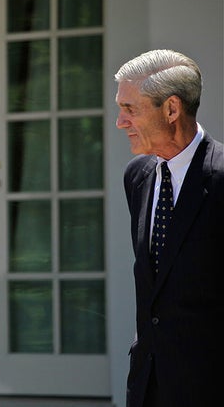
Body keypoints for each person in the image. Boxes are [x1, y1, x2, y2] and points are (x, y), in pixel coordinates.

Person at [115, 49, 224, 407]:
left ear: (172, 109)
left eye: (130, 109)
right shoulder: (138, 176)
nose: (120, 121)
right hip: (148, 385)